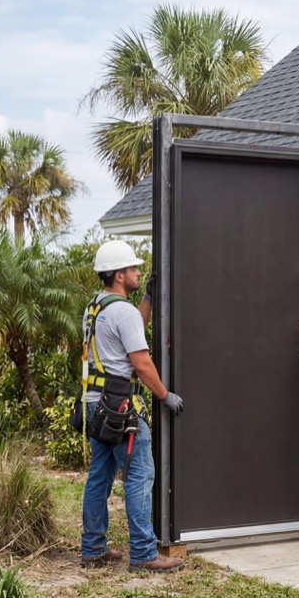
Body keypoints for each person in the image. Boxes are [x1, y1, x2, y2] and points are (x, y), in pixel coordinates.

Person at [81, 239, 185, 573]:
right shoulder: (122, 311)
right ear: (119, 275)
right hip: (121, 409)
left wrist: (148, 300)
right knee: (140, 476)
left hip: (95, 405)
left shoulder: (95, 307)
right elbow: (141, 363)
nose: (138, 272)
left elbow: (130, 329)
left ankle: (93, 549)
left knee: (99, 476)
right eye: (133, 268)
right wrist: (165, 395)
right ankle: (143, 553)